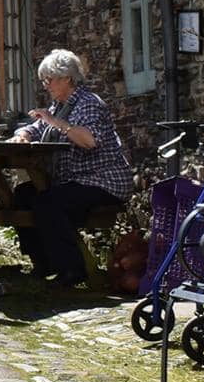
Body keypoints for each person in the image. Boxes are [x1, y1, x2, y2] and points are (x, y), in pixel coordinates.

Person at [8, 49, 132, 285]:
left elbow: (89, 140)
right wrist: (23, 133)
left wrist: (56, 123)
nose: (46, 85)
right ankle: (43, 263)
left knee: (48, 203)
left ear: (67, 78)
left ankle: (72, 269)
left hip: (102, 182)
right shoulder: (61, 106)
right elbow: (38, 126)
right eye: (44, 80)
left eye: (50, 79)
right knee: (23, 195)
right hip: (75, 181)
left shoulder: (88, 104)